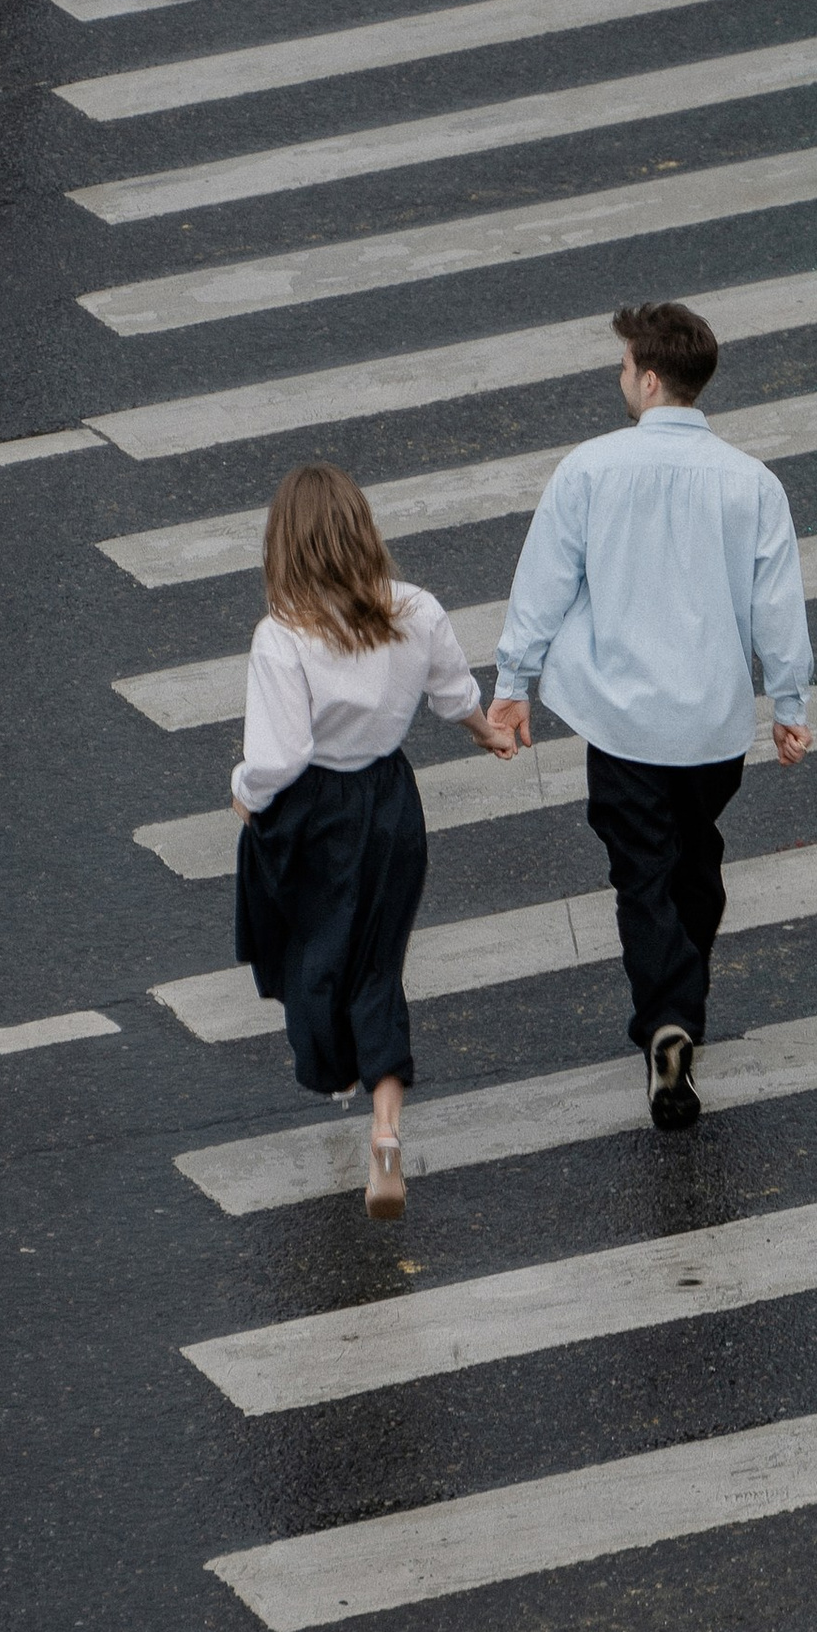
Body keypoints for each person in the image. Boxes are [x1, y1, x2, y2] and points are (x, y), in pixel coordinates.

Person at [488, 299, 815, 1133]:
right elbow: (778, 607)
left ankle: (667, 1021)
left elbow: (543, 585)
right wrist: (790, 702)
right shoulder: (753, 483)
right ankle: (681, 1003)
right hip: (711, 725)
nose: (619, 377)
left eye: (624, 366)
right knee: (695, 862)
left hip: (622, 721)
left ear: (651, 377)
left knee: (643, 874)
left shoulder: (590, 470)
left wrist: (514, 681)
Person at [231, 464, 513, 1217]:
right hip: (390, 802)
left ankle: (335, 1070)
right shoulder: (414, 608)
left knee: (312, 955)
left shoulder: (281, 634)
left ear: (283, 545)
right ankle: (386, 1131)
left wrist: (244, 793)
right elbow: (454, 693)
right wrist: (486, 732)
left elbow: (277, 757)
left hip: (310, 813)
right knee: (380, 964)